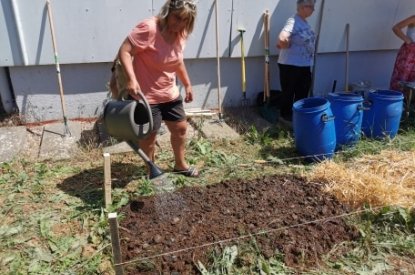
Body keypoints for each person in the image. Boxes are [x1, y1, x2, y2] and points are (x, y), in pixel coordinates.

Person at [114, 0, 199, 177]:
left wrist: (188, 84)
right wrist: (131, 79)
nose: (179, 23)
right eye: (177, 17)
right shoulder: (149, 28)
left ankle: (180, 165)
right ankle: (151, 170)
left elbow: (177, 61)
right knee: (149, 136)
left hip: (170, 93)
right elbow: (125, 51)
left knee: (180, 129)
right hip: (146, 96)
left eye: (185, 20)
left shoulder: (180, 34)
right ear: (168, 11)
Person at [276, 0, 316, 123]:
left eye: (313, 7)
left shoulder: (305, 23)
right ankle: (285, 118)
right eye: (310, 7)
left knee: (302, 93)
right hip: (291, 65)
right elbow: (282, 37)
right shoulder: (293, 21)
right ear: (302, 7)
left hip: (304, 65)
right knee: (288, 93)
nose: (313, 10)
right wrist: (283, 42)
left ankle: (298, 117)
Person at [389, 15, 415, 91]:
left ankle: (410, 101)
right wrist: (408, 41)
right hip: (409, 53)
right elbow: (396, 28)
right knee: (401, 79)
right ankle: (397, 99)